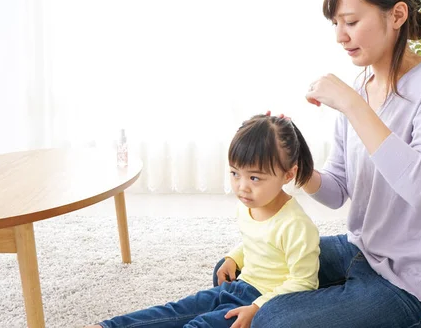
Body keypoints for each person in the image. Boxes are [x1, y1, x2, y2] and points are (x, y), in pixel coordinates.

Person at [214, 0, 421, 327]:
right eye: (336, 23)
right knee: (243, 272)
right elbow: (337, 191)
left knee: (274, 319)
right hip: (363, 252)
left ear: (397, 15)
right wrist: (293, 163)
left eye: (351, 22)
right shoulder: (359, 89)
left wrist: (352, 105)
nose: (340, 36)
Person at [87, 114, 321, 328]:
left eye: (254, 177)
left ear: (288, 174)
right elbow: (259, 242)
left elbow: (304, 282)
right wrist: (233, 258)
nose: (242, 187)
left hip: (262, 303)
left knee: (199, 325)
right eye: (234, 174)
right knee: (175, 311)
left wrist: (258, 307)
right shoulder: (248, 206)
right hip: (239, 288)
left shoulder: (296, 225)